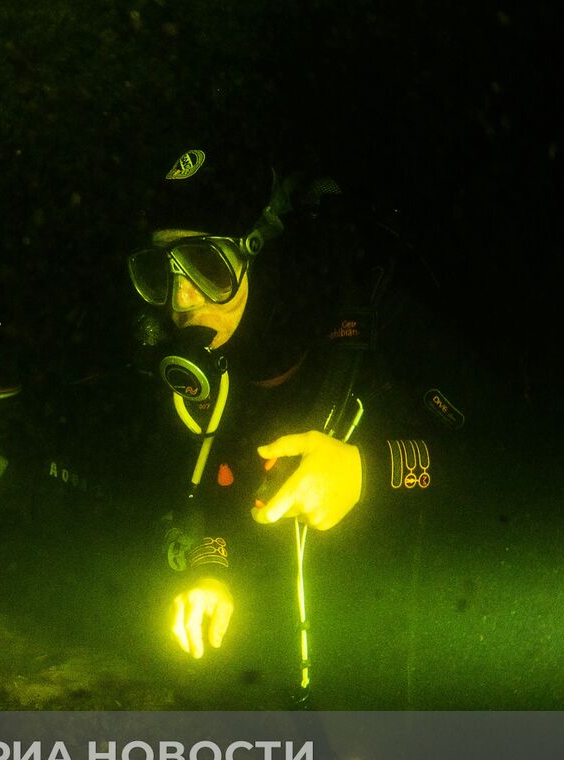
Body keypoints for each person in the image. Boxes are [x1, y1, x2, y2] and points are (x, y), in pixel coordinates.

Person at [126, 144, 462, 673]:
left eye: (208, 264)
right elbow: (206, 493)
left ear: (268, 252)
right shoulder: (202, 377)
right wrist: (210, 569)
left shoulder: (382, 318)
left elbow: (517, 458)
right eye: (161, 271)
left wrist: (367, 470)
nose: (181, 300)